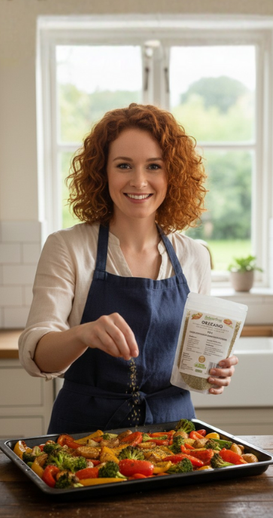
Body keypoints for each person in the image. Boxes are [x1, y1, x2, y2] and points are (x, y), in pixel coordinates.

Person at [19, 104, 238, 434]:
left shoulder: (194, 256)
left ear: (172, 175)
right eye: (124, 165)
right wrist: (83, 334)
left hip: (174, 434)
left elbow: (194, 364)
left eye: (154, 166)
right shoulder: (68, 247)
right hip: (82, 436)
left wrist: (212, 371)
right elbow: (36, 357)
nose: (139, 181)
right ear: (102, 172)